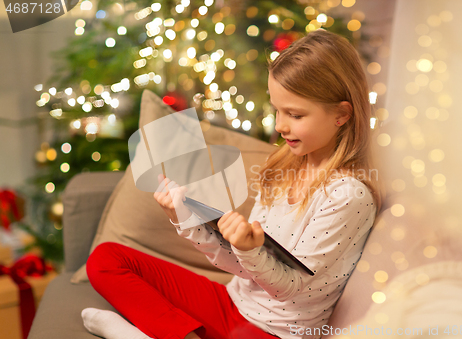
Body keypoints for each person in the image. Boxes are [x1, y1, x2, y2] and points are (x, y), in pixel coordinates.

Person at [81, 29, 382, 339]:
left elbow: (291, 291)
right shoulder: (284, 167)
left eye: (294, 114)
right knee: (106, 259)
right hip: (232, 303)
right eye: (277, 110)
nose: (280, 126)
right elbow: (241, 267)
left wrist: (248, 250)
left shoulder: (348, 196)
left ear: (342, 115)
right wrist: (185, 218)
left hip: (275, 332)